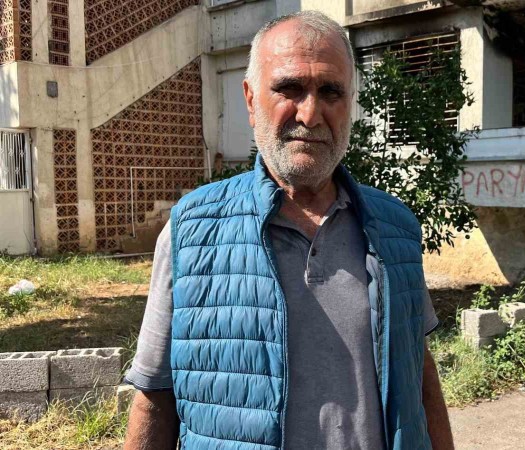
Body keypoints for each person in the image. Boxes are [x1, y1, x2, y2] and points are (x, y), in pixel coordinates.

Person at [123, 10, 454, 450]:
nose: (311, 113)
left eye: (331, 91)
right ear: (250, 99)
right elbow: (154, 396)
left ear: (350, 103)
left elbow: (419, 375)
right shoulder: (191, 229)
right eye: (290, 88)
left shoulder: (395, 226)